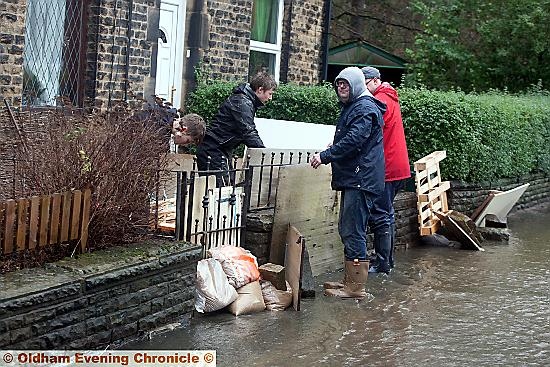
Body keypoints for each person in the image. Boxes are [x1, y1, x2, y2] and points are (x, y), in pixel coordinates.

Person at [310, 66, 386, 299]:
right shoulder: (357, 105)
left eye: (346, 84)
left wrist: (325, 156)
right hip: (357, 177)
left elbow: (355, 140)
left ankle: (355, 288)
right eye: (338, 84)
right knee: (348, 228)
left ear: (357, 85)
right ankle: (349, 281)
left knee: (353, 230)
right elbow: (353, 139)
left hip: (360, 178)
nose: (341, 88)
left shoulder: (364, 108)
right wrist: (333, 149)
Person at [362, 66, 411, 274]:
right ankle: (387, 261)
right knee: (387, 214)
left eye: (365, 83)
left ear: (374, 81)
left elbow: (369, 131)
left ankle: (382, 264)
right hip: (398, 165)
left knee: (381, 214)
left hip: (387, 167)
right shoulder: (389, 96)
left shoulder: (380, 100)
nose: (362, 88)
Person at [196, 72, 277, 186]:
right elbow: (248, 131)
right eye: (270, 93)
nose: (270, 98)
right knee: (220, 189)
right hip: (214, 149)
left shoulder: (244, 100)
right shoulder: (243, 102)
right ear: (260, 90)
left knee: (225, 187)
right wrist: (264, 154)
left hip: (217, 148)